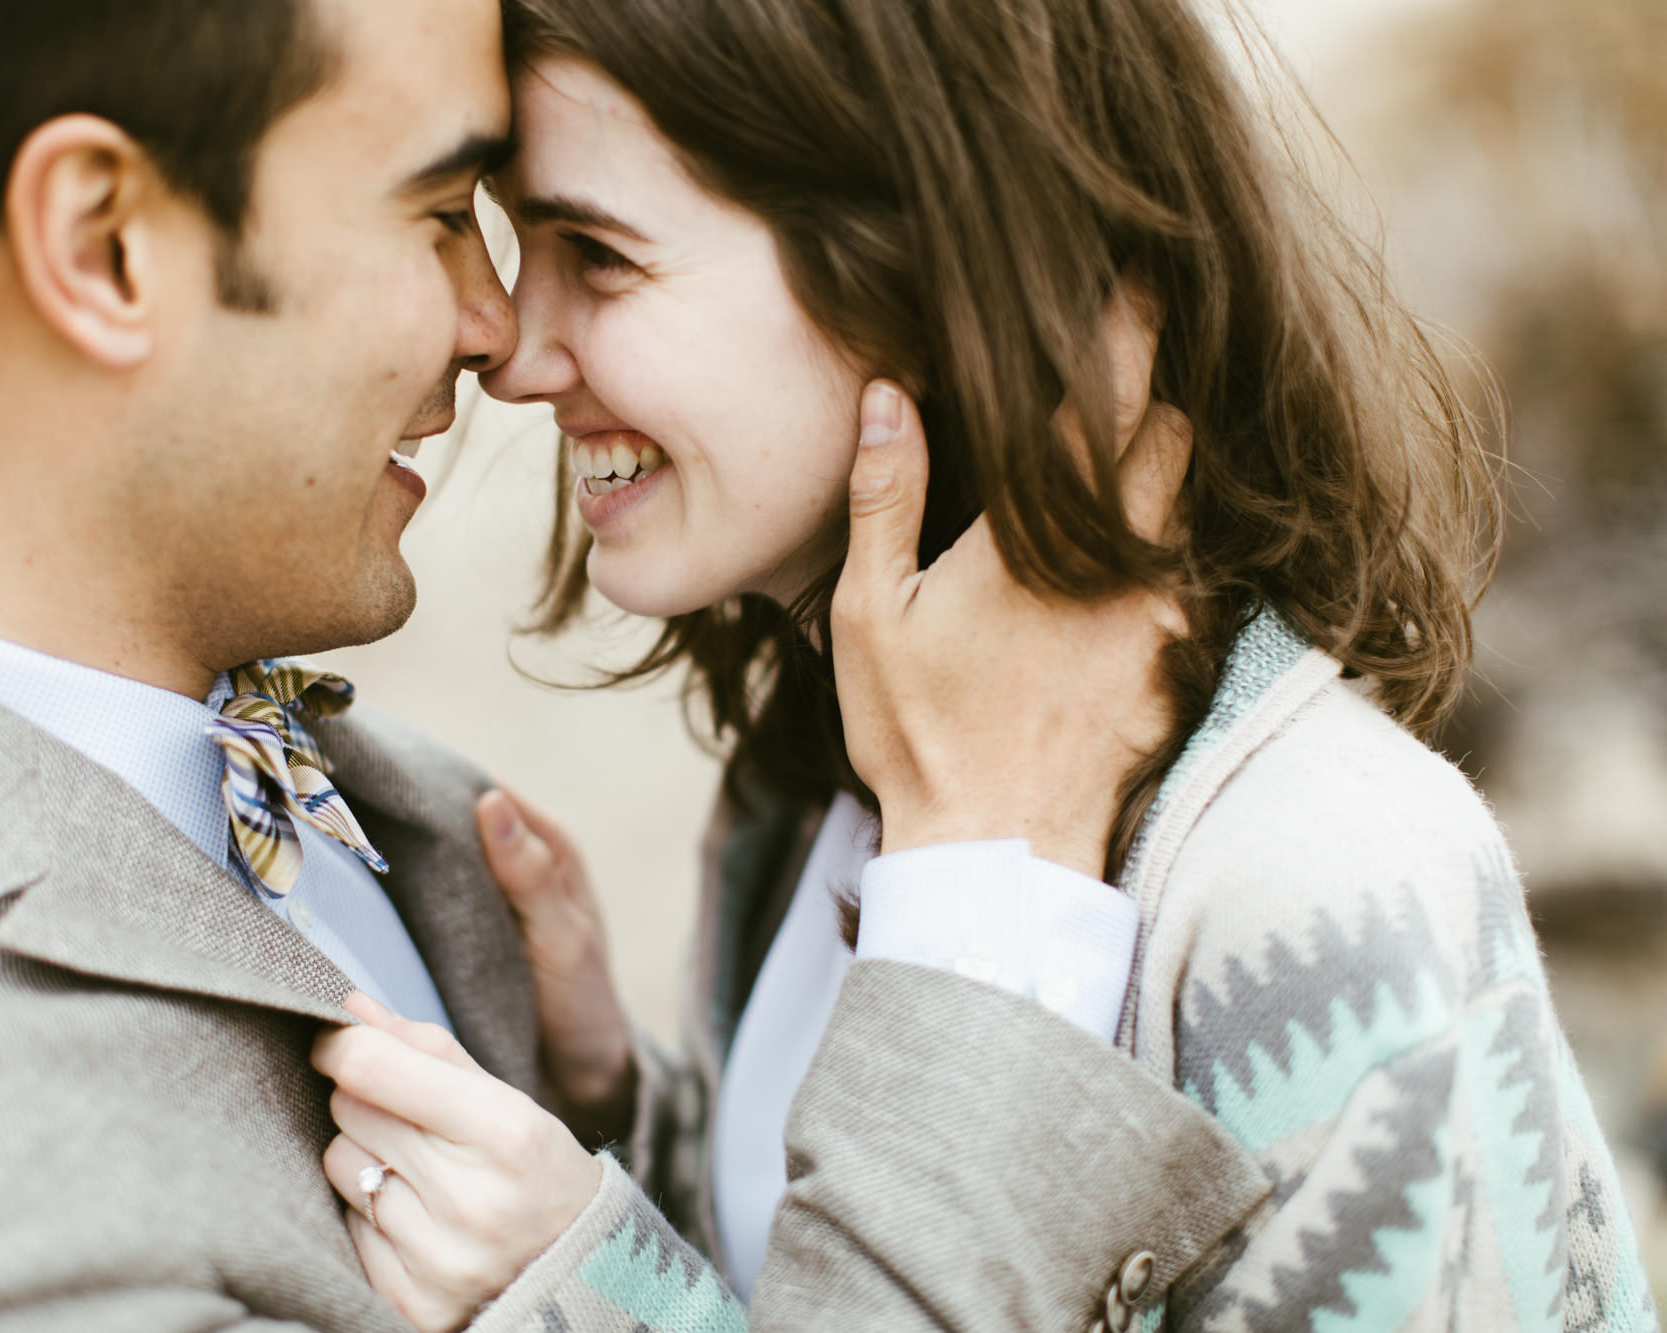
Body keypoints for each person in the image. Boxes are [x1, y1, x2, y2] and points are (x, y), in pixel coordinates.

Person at [310, 0, 1660, 1330]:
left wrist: (589, 1301)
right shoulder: (809, 790)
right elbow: (826, 1267)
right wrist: (618, 1114)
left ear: (926, 270)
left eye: (595, 254)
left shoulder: (1326, 906)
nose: (514, 352)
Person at [0, 0, 532, 1325]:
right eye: (439, 207)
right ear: (104, 247)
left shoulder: (403, 814)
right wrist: (961, 910)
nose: (497, 327)